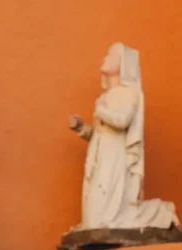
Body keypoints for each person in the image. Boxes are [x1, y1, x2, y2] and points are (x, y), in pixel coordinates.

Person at [68, 43, 178, 232]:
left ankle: (161, 212)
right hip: (99, 158)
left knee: (101, 221)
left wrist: (100, 110)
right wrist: (82, 128)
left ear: (124, 64)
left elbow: (122, 121)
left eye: (110, 55)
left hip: (116, 159)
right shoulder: (106, 96)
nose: (104, 57)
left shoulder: (129, 93)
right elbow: (101, 134)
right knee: (92, 220)